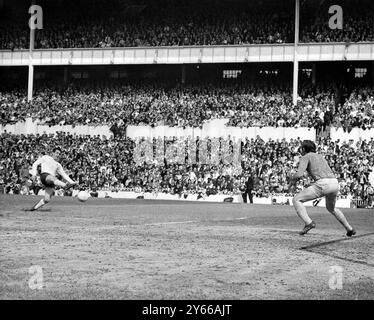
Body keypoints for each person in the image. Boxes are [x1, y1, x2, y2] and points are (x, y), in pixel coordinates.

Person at [289, 140, 356, 237]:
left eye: (301, 148)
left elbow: (299, 174)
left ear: (304, 149)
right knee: (331, 208)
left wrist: (291, 181)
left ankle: (308, 223)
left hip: (323, 184)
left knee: (296, 199)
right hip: (334, 183)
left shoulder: (305, 157)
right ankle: (349, 228)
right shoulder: (320, 156)